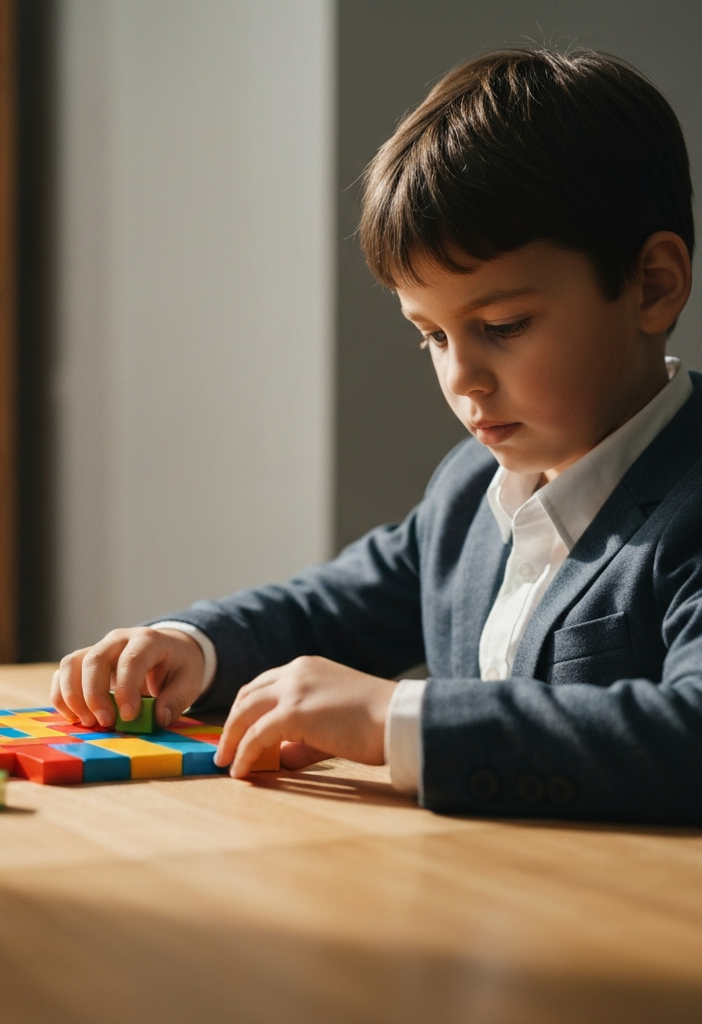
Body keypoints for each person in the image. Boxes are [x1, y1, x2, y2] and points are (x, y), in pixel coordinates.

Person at [52, 48, 702, 824]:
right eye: (431, 335)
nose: (463, 379)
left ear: (654, 285)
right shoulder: (470, 490)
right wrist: (193, 644)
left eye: (503, 326)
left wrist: (396, 720)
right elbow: (326, 610)